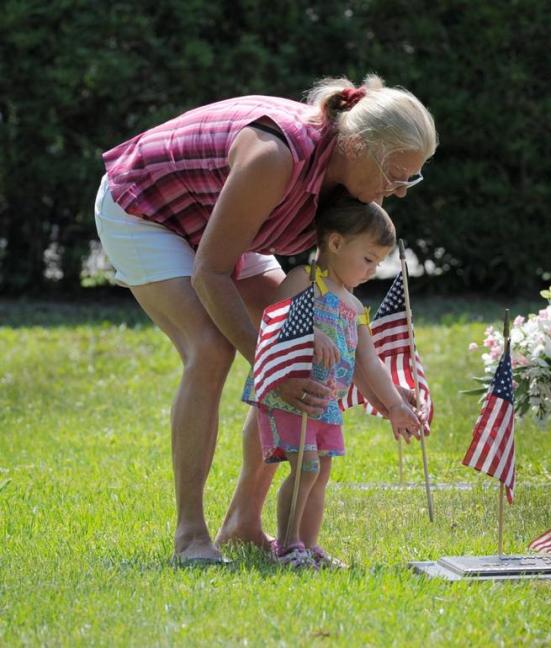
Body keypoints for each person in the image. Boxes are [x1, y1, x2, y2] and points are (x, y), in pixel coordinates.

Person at [93, 75, 437, 564]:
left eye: (411, 178)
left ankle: (243, 524)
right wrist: (272, 362)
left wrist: (388, 391)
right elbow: (210, 272)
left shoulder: (353, 187)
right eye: (396, 176)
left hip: (225, 226)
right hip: (148, 212)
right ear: (358, 146)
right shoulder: (275, 156)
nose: (399, 192)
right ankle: (191, 534)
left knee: (295, 360)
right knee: (211, 348)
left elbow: (329, 305)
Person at [243, 196, 420, 568]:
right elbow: (271, 329)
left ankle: (309, 545)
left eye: (379, 263)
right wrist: (307, 337)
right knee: (305, 466)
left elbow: (368, 363)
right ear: (336, 243)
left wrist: (395, 405)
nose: (373, 270)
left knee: (320, 472)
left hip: (325, 404)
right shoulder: (302, 281)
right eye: (368, 259)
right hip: (292, 396)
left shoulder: (355, 307)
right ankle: (288, 545)